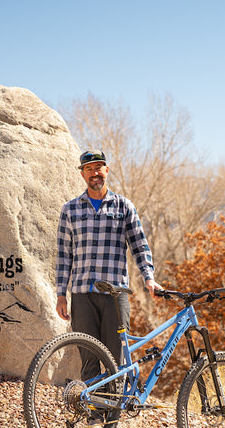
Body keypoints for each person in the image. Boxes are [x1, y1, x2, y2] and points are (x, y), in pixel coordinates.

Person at [55, 149, 162, 370]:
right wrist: (61, 294)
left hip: (115, 294)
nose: (94, 173)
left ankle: (114, 405)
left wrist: (149, 278)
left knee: (116, 360)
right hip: (83, 295)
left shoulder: (124, 206)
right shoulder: (70, 210)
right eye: (89, 169)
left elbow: (139, 246)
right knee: (89, 360)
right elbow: (64, 254)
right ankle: (93, 406)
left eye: (98, 168)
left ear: (106, 170)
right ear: (83, 174)